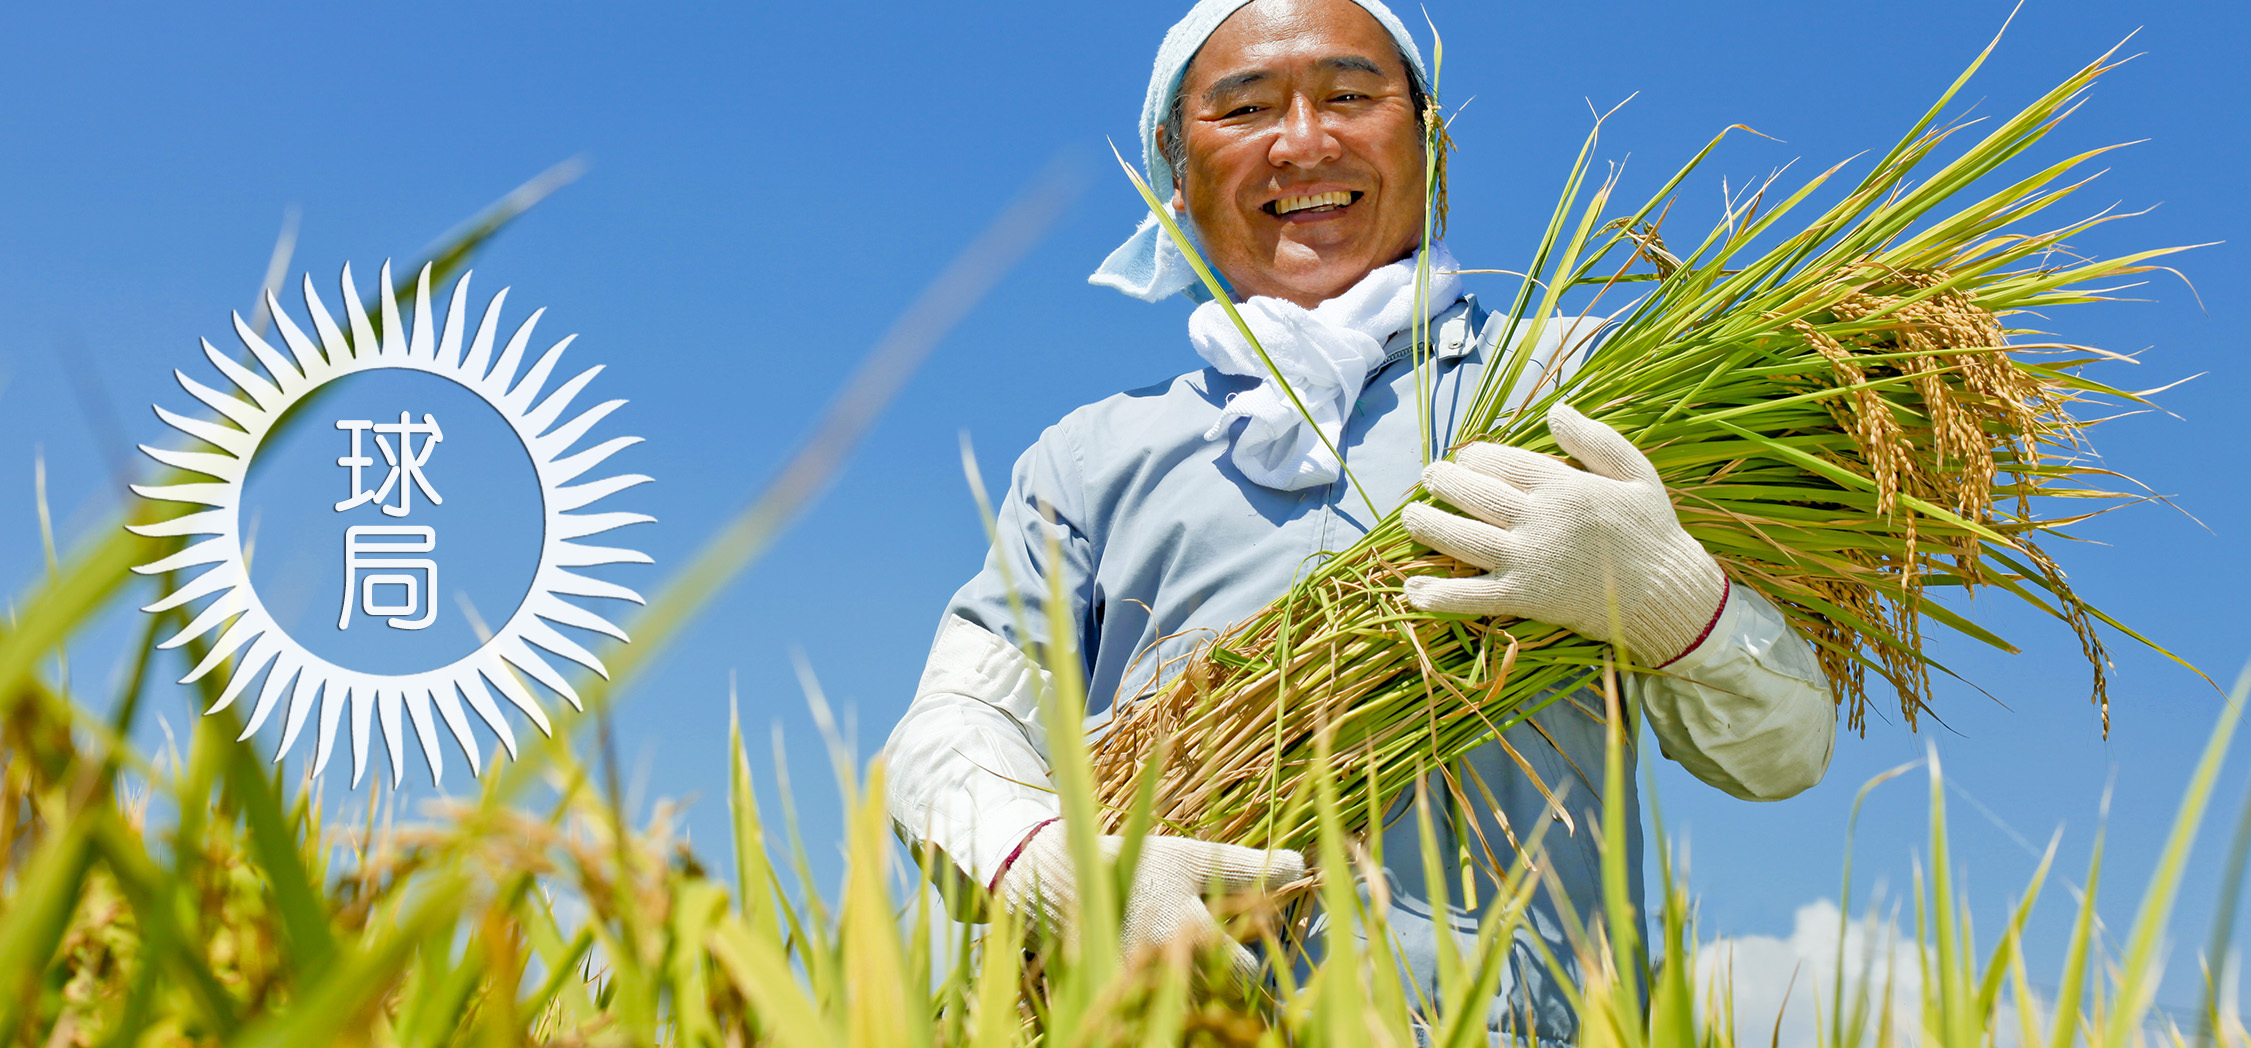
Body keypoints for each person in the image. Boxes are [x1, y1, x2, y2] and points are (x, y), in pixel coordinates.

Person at [882, 0, 1836, 1038]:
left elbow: (1781, 753)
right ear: (1172, 166)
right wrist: (1045, 858)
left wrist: (1668, 599)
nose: (1303, 142)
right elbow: (950, 727)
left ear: (1429, 139)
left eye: (1348, 95)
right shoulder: (1090, 457)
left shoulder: (1580, 383)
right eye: (1243, 109)